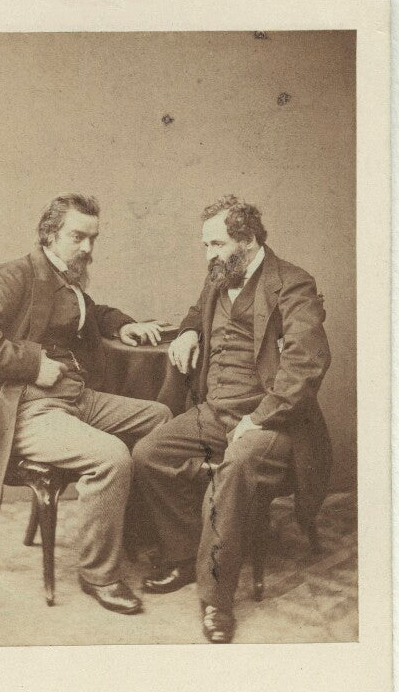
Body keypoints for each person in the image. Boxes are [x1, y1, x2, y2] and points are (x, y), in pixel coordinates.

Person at [0, 194, 172, 615]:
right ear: (50, 234)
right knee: (110, 456)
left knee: (159, 418)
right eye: (78, 237)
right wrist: (34, 365)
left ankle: (134, 532)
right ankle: (99, 575)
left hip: (75, 397)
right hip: (26, 408)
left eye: (93, 238)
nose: (87, 248)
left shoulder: (66, 278)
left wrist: (123, 326)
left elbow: (90, 313)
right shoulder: (14, 276)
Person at [132, 194, 332, 642]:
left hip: (273, 421)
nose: (209, 254)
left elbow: (307, 364)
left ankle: (216, 600)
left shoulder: (293, 284)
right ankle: (184, 555)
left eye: (217, 244)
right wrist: (188, 331)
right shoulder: (222, 274)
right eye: (205, 245)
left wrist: (259, 418)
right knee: (149, 453)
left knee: (236, 466)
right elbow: (196, 310)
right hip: (215, 411)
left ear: (248, 238)